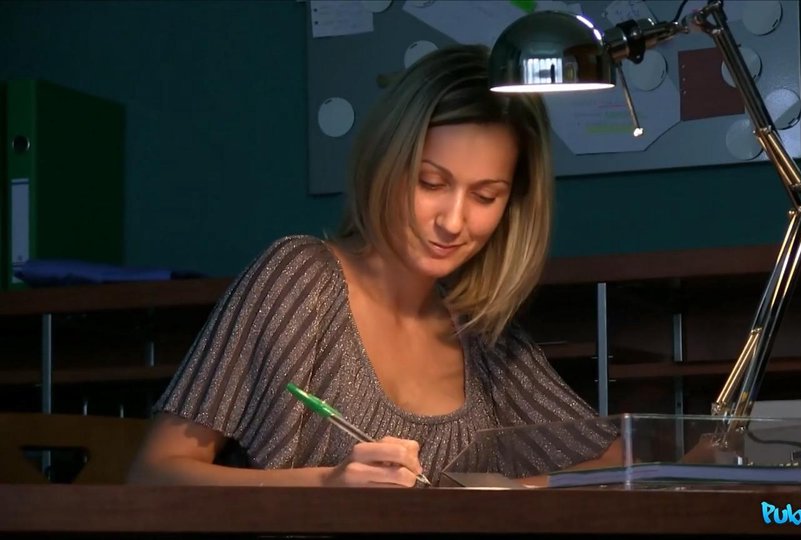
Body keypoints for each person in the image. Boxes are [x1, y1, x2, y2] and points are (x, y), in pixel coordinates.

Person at [127, 44, 617, 488]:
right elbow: (154, 475)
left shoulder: (485, 339)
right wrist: (327, 486)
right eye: (430, 183)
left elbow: (616, 462)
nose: (453, 221)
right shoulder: (299, 279)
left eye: (485, 196)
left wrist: (507, 492)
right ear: (386, 164)